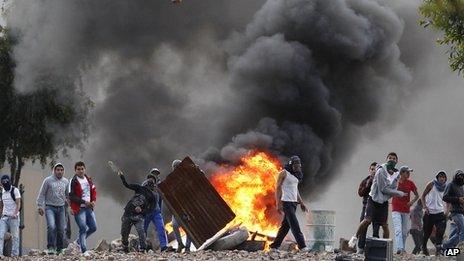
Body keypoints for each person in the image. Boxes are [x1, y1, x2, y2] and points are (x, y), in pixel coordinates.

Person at [349, 152, 405, 252]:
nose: (391, 160)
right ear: (386, 159)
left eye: (394, 158)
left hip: (383, 202)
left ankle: (385, 247)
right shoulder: (381, 171)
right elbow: (384, 189)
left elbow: (392, 189)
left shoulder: (396, 174)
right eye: (390, 158)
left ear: (397, 161)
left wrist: (395, 192)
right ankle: (355, 238)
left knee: (384, 225)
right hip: (373, 200)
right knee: (367, 221)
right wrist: (398, 193)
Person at [269, 156, 310, 251]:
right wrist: (278, 203)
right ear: (291, 164)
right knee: (294, 225)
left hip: (294, 203)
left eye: (298, 165)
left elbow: (296, 191)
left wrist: (302, 203)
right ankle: (302, 246)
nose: (297, 167)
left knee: (285, 227)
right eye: (295, 165)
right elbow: (278, 188)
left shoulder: (296, 175)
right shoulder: (283, 173)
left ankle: (274, 246)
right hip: (286, 202)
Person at [117, 170, 157, 252]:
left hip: (139, 217)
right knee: (124, 232)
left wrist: (142, 210)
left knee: (141, 231)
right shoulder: (139, 188)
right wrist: (122, 176)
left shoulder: (152, 196)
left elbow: (151, 209)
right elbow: (127, 185)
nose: (150, 181)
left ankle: (143, 249)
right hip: (128, 212)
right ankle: (125, 246)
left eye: (153, 180)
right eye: (150, 179)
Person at [36, 163, 70, 254]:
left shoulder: (66, 181)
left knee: (61, 229)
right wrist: (39, 206)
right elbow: (42, 193)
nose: (59, 172)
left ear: (63, 171)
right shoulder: (48, 180)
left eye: (61, 170)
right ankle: (51, 247)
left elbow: (67, 195)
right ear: (54, 170)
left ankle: (59, 248)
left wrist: (70, 206)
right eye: (58, 170)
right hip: (49, 207)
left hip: (61, 207)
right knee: (51, 226)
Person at [69, 161, 97, 253]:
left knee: (93, 227)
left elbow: (93, 191)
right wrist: (84, 202)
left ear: (85, 169)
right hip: (79, 208)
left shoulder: (88, 179)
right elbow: (72, 196)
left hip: (89, 208)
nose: (80, 171)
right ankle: (84, 250)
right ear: (75, 170)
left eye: (82, 169)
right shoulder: (73, 181)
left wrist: (93, 201)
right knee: (83, 228)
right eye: (78, 169)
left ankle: (78, 242)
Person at [391, 166, 418, 254]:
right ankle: (400, 248)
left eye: (409, 172)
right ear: (401, 173)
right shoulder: (395, 182)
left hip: (406, 210)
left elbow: (417, 195)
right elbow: (388, 190)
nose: (409, 174)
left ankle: (402, 248)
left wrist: (412, 202)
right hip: (396, 208)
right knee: (398, 229)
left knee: (405, 231)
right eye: (407, 172)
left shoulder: (411, 183)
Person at [420, 171, 447, 256]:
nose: (441, 178)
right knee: (427, 233)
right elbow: (423, 196)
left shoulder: (446, 187)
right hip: (429, 213)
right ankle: (424, 247)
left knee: (440, 232)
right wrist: (425, 207)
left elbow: (448, 201)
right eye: (440, 177)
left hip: (440, 213)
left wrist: (447, 211)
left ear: (445, 179)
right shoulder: (431, 184)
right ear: (437, 177)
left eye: (443, 177)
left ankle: (438, 251)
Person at [143, 168, 170, 251]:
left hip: (156, 212)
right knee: (143, 229)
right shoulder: (144, 185)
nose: (155, 175)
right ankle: (142, 246)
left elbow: (160, 200)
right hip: (146, 211)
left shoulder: (159, 186)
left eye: (157, 174)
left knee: (161, 228)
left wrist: (159, 211)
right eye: (154, 173)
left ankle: (164, 246)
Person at [356, 162, 381, 253]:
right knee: (363, 227)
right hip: (366, 206)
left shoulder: (381, 180)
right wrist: (369, 182)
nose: (374, 171)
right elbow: (360, 193)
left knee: (376, 228)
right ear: (369, 170)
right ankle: (360, 248)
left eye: (375, 169)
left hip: (378, 207)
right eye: (372, 169)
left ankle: (375, 249)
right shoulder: (365, 180)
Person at [170, 159, 192, 252]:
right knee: (175, 225)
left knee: (188, 229)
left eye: (177, 166)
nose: (176, 168)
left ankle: (187, 247)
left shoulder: (187, 176)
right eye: (175, 167)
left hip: (187, 206)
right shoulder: (171, 179)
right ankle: (180, 244)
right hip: (176, 208)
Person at [441, 170, 464, 250]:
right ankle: (461, 247)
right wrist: (458, 199)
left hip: (461, 212)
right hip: (455, 212)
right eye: (459, 176)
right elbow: (445, 197)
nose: (461, 178)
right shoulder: (450, 185)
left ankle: (445, 246)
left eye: (462, 176)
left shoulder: (461, 187)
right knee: (463, 229)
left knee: (458, 233)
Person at [0, 175, 20, 257]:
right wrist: (1, 214)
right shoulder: (2, 192)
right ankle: (0, 254)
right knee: (0, 235)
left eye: (7, 183)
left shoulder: (15, 190)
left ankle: (14, 255)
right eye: (4, 184)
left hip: (13, 217)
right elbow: (1, 204)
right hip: (4, 217)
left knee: (15, 237)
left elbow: (18, 203)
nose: (6, 185)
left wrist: (15, 214)